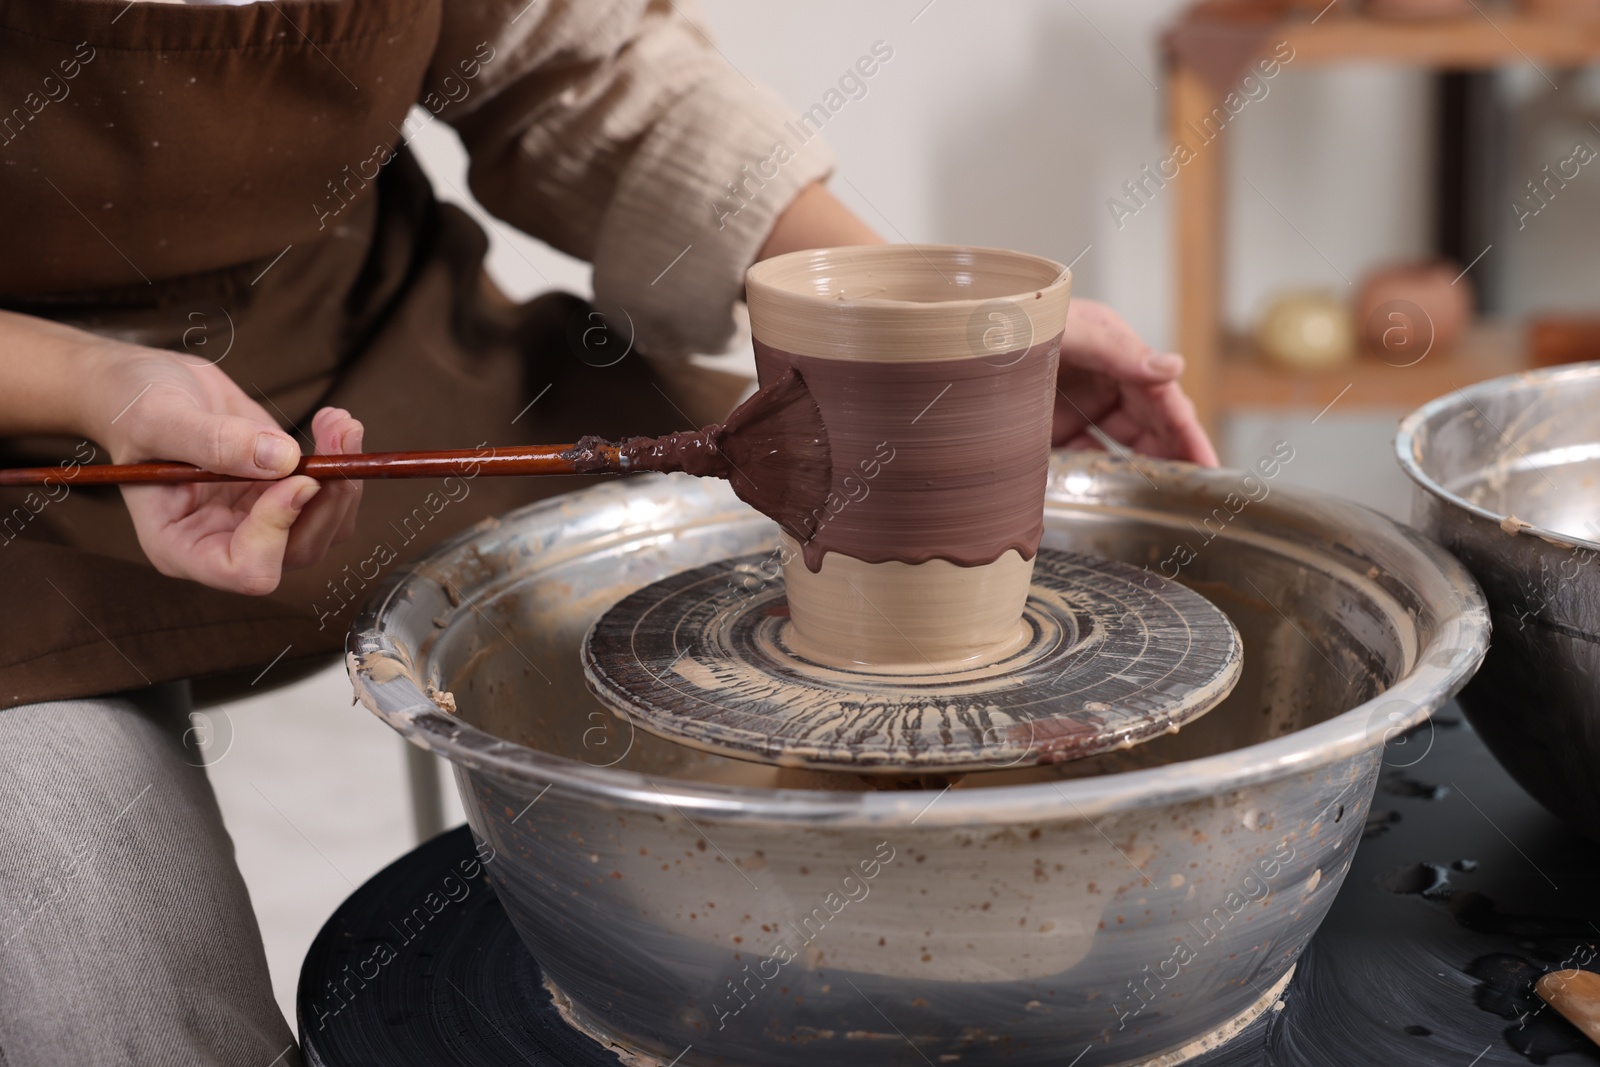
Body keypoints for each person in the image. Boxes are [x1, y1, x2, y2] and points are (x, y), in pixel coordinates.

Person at [0, 1, 1215, 1063]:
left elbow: (570, 70)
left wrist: (901, 328)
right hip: (32, 452)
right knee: (88, 955)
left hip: (359, 363)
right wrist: (97, 387)